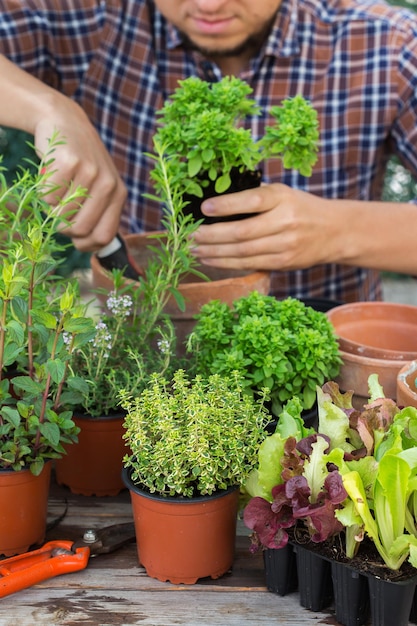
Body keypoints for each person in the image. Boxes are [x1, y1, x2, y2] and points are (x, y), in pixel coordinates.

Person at [0, 0, 417, 303]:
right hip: (144, 341)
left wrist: (340, 229)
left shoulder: (388, 44)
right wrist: (49, 107)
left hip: (325, 362)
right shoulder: (91, 15)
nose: (209, 4)